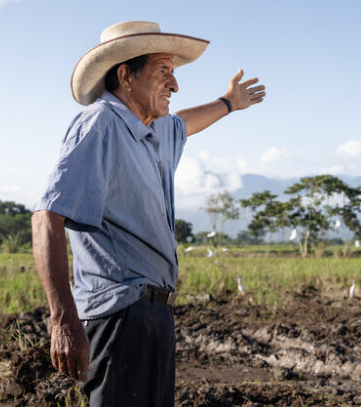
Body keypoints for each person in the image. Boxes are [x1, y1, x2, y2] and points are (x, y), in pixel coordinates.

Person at [31, 21, 266, 406]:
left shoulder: (151, 133)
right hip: (120, 315)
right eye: (163, 72)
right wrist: (62, 320)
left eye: (172, 74)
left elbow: (185, 124)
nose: (174, 85)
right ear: (126, 75)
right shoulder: (101, 123)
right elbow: (46, 218)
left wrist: (228, 103)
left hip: (153, 314)